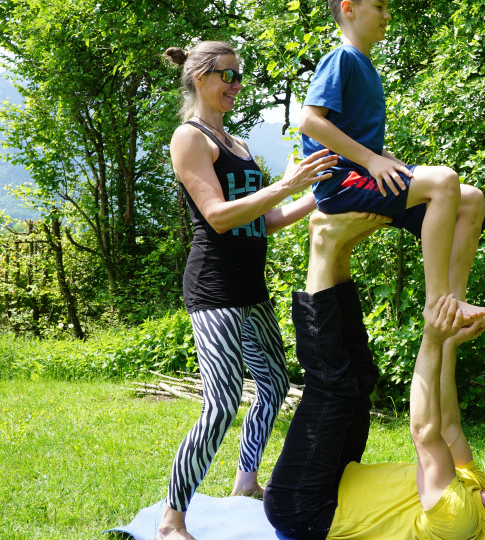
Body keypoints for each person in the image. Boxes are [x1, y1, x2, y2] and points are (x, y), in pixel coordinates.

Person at [263, 212, 485, 540]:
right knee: (362, 377)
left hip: (305, 508)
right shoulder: (480, 489)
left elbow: (425, 434)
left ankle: (322, 244)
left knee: (334, 388)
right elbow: (448, 427)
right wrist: (450, 344)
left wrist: (433, 337)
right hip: (337, 480)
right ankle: (340, 251)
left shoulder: (461, 522)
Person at [159, 41, 339, 540]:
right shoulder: (190, 138)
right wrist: (284, 185)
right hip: (214, 291)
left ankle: (245, 482)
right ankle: (172, 520)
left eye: (239, 76)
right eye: (228, 76)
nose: (236, 85)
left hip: (251, 291)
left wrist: (316, 197)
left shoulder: (235, 142)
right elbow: (217, 218)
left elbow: (265, 219)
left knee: (275, 384)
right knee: (219, 404)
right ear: (200, 76)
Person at [298, 0, 485, 323]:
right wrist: (372, 162)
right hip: (341, 186)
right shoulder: (341, 59)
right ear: (349, 9)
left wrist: (391, 163)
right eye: (379, 6)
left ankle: (456, 304)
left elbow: (365, 144)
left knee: (471, 199)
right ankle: (438, 302)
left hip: (364, 179)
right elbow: (308, 121)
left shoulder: (368, 68)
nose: (387, 15)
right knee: (444, 180)